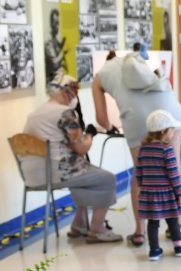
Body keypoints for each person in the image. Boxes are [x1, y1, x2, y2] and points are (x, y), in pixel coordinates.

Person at [92, 42, 181, 247]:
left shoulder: (99, 76)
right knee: (174, 165)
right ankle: (173, 227)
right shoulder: (134, 61)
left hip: (136, 117)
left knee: (141, 172)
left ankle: (140, 232)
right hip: (170, 109)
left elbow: (101, 118)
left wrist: (109, 126)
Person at [22, 74, 122, 243]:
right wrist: (90, 134)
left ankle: (79, 225)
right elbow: (81, 147)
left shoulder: (34, 114)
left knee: (85, 175)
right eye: (74, 89)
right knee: (107, 178)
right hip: (58, 171)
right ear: (63, 91)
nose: (76, 94)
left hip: (32, 174)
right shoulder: (64, 113)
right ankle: (97, 229)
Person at [136, 110, 181, 261]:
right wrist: (180, 192)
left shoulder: (143, 149)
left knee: (153, 223)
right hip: (166, 193)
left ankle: (154, 251)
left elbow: (138, 171)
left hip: (149, 194)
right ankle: (178, 247)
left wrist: (141, 188)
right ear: (164, 131)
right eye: (172, 130)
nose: (173, 134)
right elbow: (173, 174)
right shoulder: (167, 150)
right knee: (172, 220)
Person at [44, 9, 68, 83]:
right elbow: (55, 63)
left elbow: (57, 51)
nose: (58, 26)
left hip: (59, 79)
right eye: (56, 23)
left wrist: (62, 44)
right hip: (53, 82)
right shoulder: (49, 41)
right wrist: (63, 51)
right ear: (51, 24)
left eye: (58, 23)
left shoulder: (54, 38)